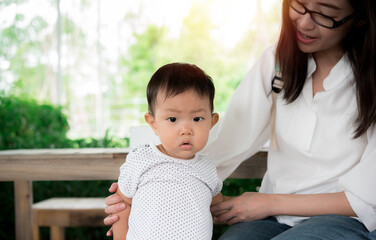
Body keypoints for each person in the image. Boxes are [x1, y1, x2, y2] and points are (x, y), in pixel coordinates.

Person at [105, 0, 376, 239]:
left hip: (346, 221)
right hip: (272, 219)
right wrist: (143, 192)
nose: (304, 22)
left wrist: (268, 203)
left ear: (360, 17)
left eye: (325, 14)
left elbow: (366, 200)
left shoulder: (369, 82)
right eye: (298, 5)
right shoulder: (277, 62)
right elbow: (227, 140)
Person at [112, 62, 224, 240]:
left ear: (212, 122)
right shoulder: (143, 159)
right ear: (153, 123)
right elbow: (121, 205)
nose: (186, 129)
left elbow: (219, 206)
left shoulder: (207, 168)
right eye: (173, 119)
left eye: (197, 118)